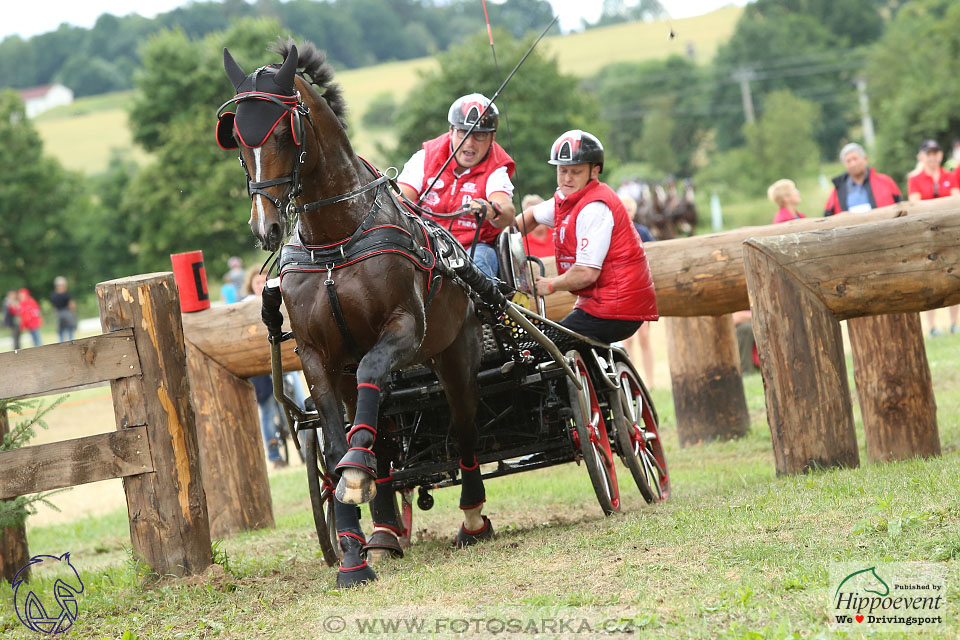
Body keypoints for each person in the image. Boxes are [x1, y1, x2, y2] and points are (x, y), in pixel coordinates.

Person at [518, 130, 658, 344]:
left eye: (576, 171)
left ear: (595, 171)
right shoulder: (567, 199)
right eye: (562, 170)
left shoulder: (594, 207)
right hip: (599, 303)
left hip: (616, 308)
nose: (567, 178)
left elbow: (586, 273)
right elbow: (531, 216)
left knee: (542, 346)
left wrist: (551, 284)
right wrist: (499, 238)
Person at [397, 93, 516, 278]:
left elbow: (507, 211)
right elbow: (399, 199)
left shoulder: (497, 167)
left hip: (474, 247)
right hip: (424, 244)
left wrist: (491, 209)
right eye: (462, 132)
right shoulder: (424, 158)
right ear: (451, 130)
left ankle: (486, 307)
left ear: (492, 137)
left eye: (480, 135)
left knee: (479, 263)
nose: (469, 143)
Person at [242, 267, 309, 467]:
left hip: (285, 361)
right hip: (261, 365)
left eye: (264, 282)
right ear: (251, 286)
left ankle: (308, 447)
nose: (261, 286)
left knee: (300, 399)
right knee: (268, 409)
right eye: (257, 283)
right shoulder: (245, 306)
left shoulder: (281, 300)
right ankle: (274, 455)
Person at [907, 139, 960, 336]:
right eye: (928, 153)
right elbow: (915, 205)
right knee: (929, 280)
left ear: (939, 155)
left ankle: (954, 322)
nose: (932, 157)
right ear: (923, 156)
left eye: (935, 153)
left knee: (954, 275)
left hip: (949, 232)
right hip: (927, 235)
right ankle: (932, 326)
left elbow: (956, 200)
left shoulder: (950, 175)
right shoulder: (915, 178)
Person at [618, 194, 655, 384]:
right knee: (627, 340)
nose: (626, 212)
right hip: (622, 291)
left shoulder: (643, 232)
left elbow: (656, 255)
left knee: (644, 337)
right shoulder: (613, 233)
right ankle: (632, 380)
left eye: (629, 209)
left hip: (640, 290)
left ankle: (650, 381)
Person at [823, 143, 902, 215]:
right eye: (848, 161)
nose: (853, 164)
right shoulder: (838, 190)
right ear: (844, 164)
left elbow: (901, 206)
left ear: (865, 158)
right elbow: (828, 217)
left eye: (855, 159)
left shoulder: (885, 182)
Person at [517, 194, 554, 259]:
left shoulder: (558, 234)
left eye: (540, 214)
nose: (537, 219)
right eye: (532, 217)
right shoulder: (520, 243)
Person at [50, 276, 78, 342]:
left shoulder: (53, 295)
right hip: (67, 313)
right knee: (70, 332)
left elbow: (53, 305)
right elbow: (72, 305)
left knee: (61, 333)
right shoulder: (66, 294)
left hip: (58, 313)